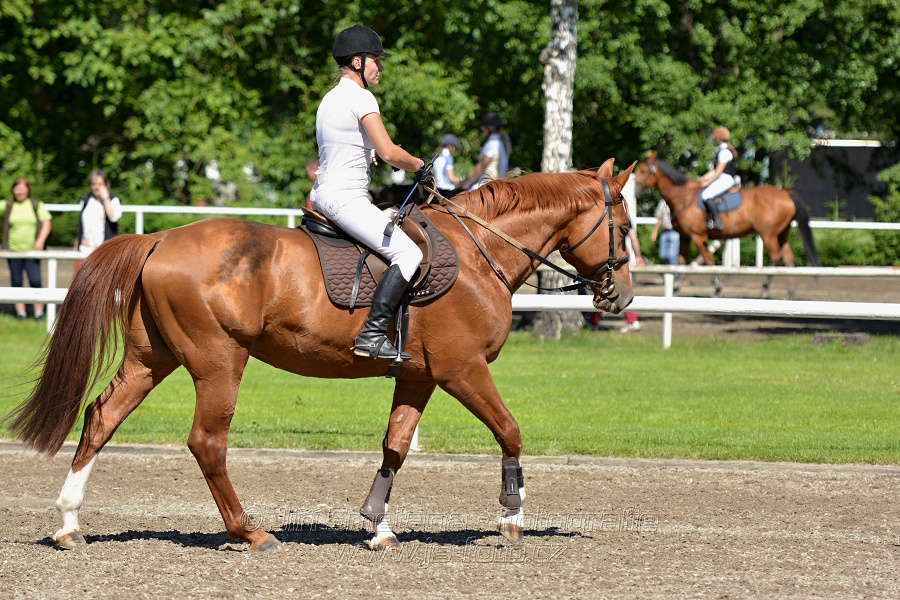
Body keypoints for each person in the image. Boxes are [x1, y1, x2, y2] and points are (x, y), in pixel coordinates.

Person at [310, 25, 429, 361]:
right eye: (376, 59)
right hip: (345, 199)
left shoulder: (330, 98)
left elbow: (350, 146)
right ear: (358, 62)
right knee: (409, 255)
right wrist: (419, 164)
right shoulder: (361, 97)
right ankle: (372, 334)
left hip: (326, 193)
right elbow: (390, 152)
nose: (380, 66)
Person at [1, 177, 52, 320]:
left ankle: (39, 313)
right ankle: (21, 313)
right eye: (17, 187)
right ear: (13, 190)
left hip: (32, 251)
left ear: (28, 190)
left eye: (23, 188)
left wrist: (40, 241)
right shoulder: (8, 205)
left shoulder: (36, 205)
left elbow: (47, 223)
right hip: (13, 251)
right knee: (16, 281)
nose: (20, 191)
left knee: (35, 280)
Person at [696, 126, 738, 230]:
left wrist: (707, 182)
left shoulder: (724, 152)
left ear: (718, 138)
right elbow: (715, 171)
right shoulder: (722, 150)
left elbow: (718, 172)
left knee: (706, 195)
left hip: (726, 179)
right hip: (723, 177)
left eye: (714, 138)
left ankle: (717, 221)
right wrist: (703, 178)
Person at [457, 111, 511, 190]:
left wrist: (461, 183)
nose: (482, 129)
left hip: (487, 187)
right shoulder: (500, 144)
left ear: (490, 127)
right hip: (497, 188)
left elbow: (478, 170)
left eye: (484, 126)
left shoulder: (492, 144)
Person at [75, 170, 122, 260]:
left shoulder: (113, 200)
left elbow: (113, 218)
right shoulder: (86, 200)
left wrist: (105, 199)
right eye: (94, 184)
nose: (96, 187)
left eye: (100, 184)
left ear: (106, 184)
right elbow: (81, 225)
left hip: (105, 250)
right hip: (85, 249)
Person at [650, 199, 681, 291]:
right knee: (663, 255)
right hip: (665, 231)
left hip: (675, 232)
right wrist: (655, 231)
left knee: (672, 255)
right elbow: (659, 218)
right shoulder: (662, 202)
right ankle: (670, 274)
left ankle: (675, 278)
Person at [619, 225, 644, 333]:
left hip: (615, 256)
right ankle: (593, 321)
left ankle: (632, 321)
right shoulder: (624, 216)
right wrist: (638, 256)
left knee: (619, 290)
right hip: (622, 255)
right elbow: (634, 238)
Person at [433, 133, 461, 198]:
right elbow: (451, 178)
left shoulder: (437, 156)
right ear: (450, 146)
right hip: (447, 189)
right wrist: (462, 181)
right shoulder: (448, 157)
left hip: (437, 189)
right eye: (454, 147)